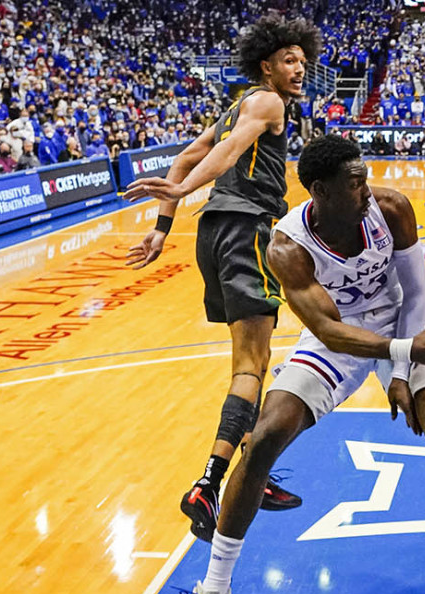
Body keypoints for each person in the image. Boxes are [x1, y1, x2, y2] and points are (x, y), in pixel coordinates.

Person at [152, 136, 425, 594]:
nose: (365, 187)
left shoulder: (391, 208)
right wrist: (400, 352)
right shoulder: (286, 245)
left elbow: (416, 294)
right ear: (320, 191)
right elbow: (330, 332)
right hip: (338, 337)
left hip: (401, 323)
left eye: (364, 176)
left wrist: (401, 368)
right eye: (353, 181)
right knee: (264, 437)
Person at [124, 15, 321, 541]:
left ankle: (252, 473)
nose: (300, 69)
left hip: (213, 235)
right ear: (267, 65)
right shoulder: (268, 104)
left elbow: (190, 152)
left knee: (253, 362)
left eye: (303, 61)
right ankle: (210, 484)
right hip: (246, 230)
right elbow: (223, 154)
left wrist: (163, 228)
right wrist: (180, 189)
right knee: (251, 367)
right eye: (289, 61)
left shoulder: (237, 104)